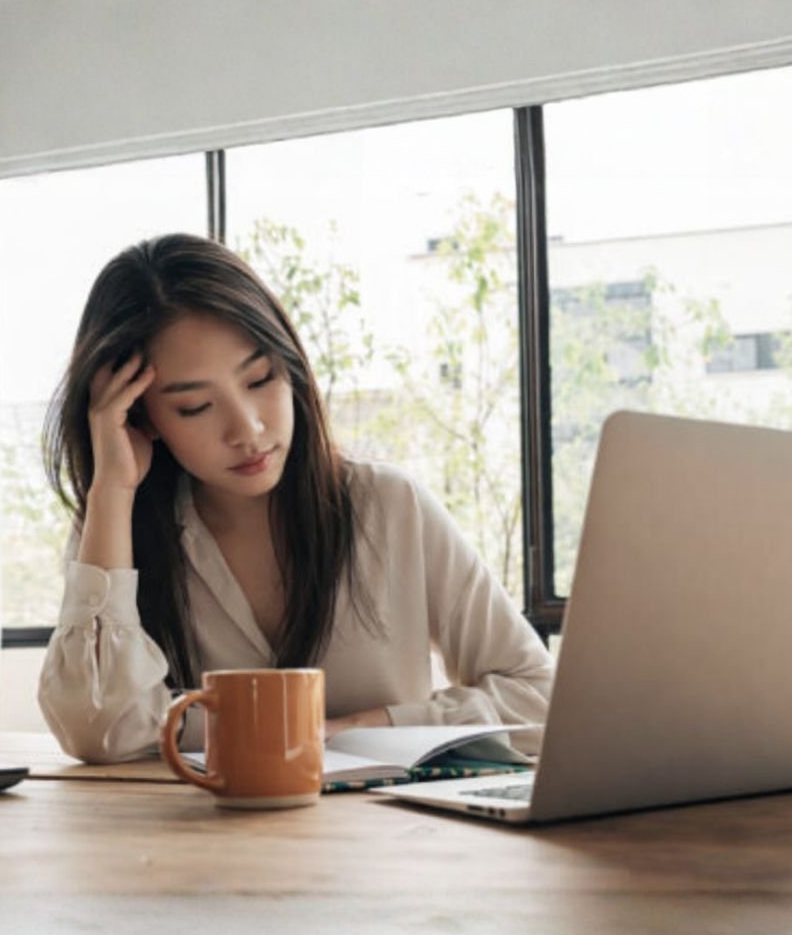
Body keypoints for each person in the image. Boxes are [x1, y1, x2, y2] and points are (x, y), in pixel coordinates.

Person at [37, 233, 552, 763]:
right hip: (196, 840)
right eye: (195, 407)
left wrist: (354, 729)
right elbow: (97, 731)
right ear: (143, 417)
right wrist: (113, 490)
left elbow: (538, 697)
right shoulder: (116, 530)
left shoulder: (388, 506)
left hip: (388, 838)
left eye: (261, 378)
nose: (249, 428)